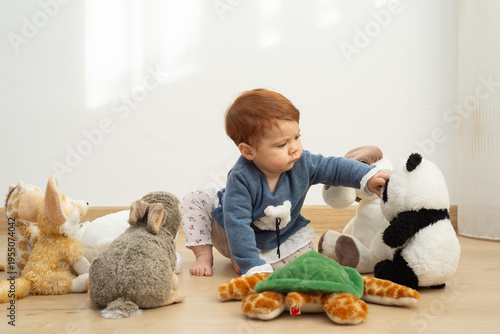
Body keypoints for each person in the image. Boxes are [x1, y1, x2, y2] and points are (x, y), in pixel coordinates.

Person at [181, 89, 389, 276]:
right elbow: (237, 224)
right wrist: (250, 263)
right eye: (282, 144)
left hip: (276, 236)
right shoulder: (241, 178)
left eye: (297, 137)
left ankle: (254, 256)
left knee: (307, 260)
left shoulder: (303, 162)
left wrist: (367, 176)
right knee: (195, 199)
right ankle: (204, 255)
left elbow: (335, 167)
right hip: (229, 233)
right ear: (248, 151)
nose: (294, 148)